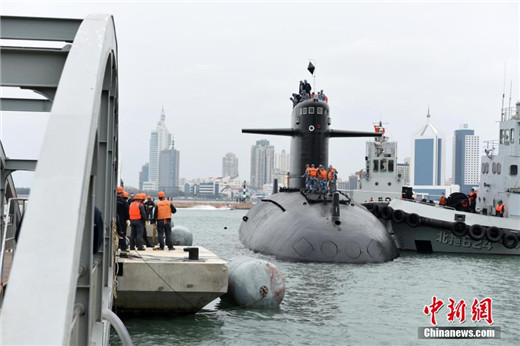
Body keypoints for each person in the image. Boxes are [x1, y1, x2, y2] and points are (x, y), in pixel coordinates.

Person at [116, 186, 130, 251]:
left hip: (114, 219)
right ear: (122, 193)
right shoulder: (123, 202)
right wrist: (127, 219)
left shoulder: (112, 200)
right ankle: (123, 248)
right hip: (122, 220)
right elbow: (127, 211)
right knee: (122, 234)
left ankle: (115, 247)